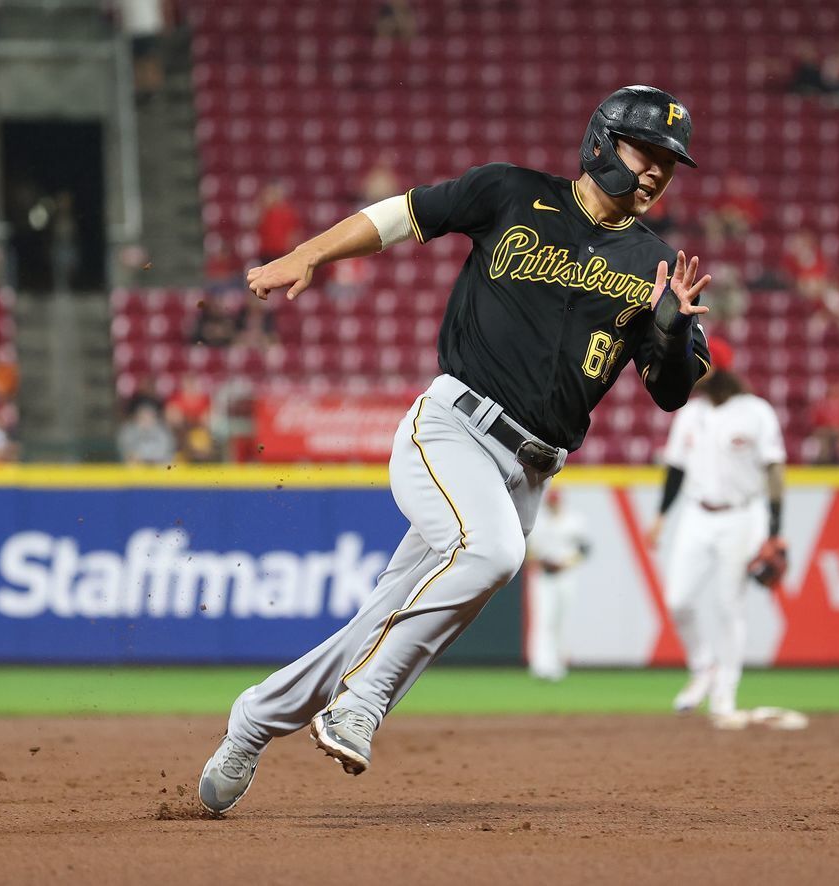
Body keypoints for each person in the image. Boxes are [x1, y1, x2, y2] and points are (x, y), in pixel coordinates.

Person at [198, 85, 712, 814]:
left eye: (671, 161)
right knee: (493, 554)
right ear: (603, 141)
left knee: (379, 624)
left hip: (530, 471)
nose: (660, 170)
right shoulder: (509, 193)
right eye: (648, 151)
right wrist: (305, 254)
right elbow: (401, 217)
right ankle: (361, 705)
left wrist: (668, 332)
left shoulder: (657, 262)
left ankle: (253, 720)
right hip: (454, 428)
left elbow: (672, 390)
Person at [648, 347, 784, 729]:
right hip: (697, 512)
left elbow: (774, 469)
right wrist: (660, 516)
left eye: (702, 366)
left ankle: (725, 693)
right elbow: (675, 469)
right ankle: (703, 667)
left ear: (719, 370)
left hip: (742, 515)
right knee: (678, 600)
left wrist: (775, 530)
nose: (695, 372)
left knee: (729, 606)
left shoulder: (756, 412)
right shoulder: (690, 414)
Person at [524, 488, 590, 682]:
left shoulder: (574, 521)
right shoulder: (538, 522)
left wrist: (566, 563)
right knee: (544, 620)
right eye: (550, 503)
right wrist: (542, 562)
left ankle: (559, 664)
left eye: (555, 502)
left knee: (562, 620)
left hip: (566, 575)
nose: (552, 505)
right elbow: (528, 552)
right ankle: (541, 665)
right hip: (543, 576)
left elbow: (585, 549)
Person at [255, 182, 300, 266]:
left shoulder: (287, 212)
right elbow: (255, 225)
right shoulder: (265, 211)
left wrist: (290, 252)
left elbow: (293, 234)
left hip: (281, 253)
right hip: (266, 253)